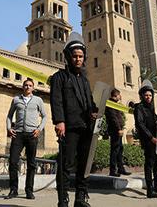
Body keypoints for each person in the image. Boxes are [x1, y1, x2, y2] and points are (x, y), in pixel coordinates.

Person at [50, 37, 98, 207]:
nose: (78, 59)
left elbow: (90, 102)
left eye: (80, 56)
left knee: (84, 165)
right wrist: (59, 121)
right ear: (68, 57)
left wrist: (94, 111)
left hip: (86, 127)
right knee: (65, 164)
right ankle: (63, 199)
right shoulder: (59, 77)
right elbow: (56, 101)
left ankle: (80, 197)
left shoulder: (84, 80)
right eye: (75, 56)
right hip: (69, 127)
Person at [5, 79, 47, 200]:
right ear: (22, 87)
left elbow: (44, 116)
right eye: (26, 85)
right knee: (13, 161)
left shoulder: (38, 100)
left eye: (30, 85)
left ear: (33, 88)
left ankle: (29, 190)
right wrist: (9, 128)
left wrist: (39, 129)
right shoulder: (16, 99)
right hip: (18, 134)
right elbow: (9, 115)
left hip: (32, 135)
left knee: (31, 163)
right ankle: (13, 189)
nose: (28, 87)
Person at [134, 81, 157, 198]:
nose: (148, 97)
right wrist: (151, 137)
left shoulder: (152, 109)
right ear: (142, 96)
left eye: (150, 95)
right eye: (146, 95)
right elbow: (140, 124)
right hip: (148, 140)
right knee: (149, 164)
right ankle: (150, 190)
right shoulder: (139, 108)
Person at [105, 89, 131, 177]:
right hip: (115, 131)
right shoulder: (110, 104)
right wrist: (118, 129)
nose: (121, 97)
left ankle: (121, 169)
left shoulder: (116, 104)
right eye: (120, 95)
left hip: (118, 130)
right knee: (115, 150)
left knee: (120, 150)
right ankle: (113, 170)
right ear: (116, 95)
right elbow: (113, 118)